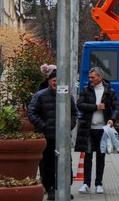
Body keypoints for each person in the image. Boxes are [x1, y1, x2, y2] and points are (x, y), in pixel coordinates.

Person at [27, 70, 77, 201]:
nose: (56, 82)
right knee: (47, 164)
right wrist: (43, 126)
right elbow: (32, 112)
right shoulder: (40, 95)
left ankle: (64, 188)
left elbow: (74, 113)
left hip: (63, 138)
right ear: (49, 81)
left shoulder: (68, 95)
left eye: (58, 80)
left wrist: (68, 128)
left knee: (66, 163)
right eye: (53, 80)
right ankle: (50, 189)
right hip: (47, 136)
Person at [75, 67, 119, 195]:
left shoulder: (109, 92)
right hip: (88, 129)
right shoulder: (85, 90)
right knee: (87, 156)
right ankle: (85, 183)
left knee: (101, 157)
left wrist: (112, 119)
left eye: (92, 77)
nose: (90, 80)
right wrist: (95, 107)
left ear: (100, 77)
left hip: (102, 130)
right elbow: (79, 105)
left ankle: (99, 184)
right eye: (90, 77)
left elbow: (117, 107)